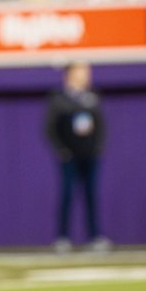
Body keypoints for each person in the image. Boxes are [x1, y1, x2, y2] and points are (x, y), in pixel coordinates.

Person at [45, 61, 110, 253]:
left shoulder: (92, 97)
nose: (85, 76)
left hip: (90, 156)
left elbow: (101, 126)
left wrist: (97, 148)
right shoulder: (59, 99)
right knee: (67, 195)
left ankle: (95, 237)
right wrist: (62, 150)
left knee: (91, 196)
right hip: (69, 157)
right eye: (81, 72)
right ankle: (63, 237)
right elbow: (50, 128)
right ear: (70, 74)